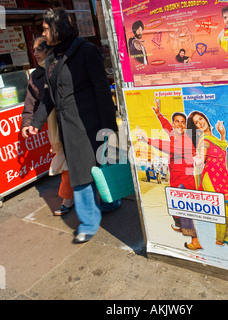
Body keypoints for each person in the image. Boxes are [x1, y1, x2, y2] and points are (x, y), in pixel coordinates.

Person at [27, 8, 120, 243]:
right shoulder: (51, 60)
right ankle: (89, 222)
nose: (43, 33)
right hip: (71, 129)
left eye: (46, 28)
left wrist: (110, 128)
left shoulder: (86, 51)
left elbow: (101, 91)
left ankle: (111, 201)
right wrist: (36, 123)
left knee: (103, 166)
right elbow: (49, 96)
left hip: (94, 123)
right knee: (79, 175)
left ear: (58, 27)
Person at [137, 99, 202, 250]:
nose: (180, 124)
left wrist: (148, 140)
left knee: (185, 210)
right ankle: (179, 225)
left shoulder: (186, 140)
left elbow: (170, 147)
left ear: (186, 125)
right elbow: (166, 126)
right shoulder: (174, 134)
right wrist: (159, 114)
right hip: (175, 178)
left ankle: (195, 240)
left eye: (183, 122)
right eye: (177, 122)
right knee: (174, 205)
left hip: (186, 180)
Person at [21, 36, 74, 216]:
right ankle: (71, 198)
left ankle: (81, 197)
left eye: (38, 49)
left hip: (72, 121)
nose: (34, 53)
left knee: (77, 160)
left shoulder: (62, 66)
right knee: (66, 161)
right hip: (55, 129)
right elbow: (30, 103)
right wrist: (27, 123)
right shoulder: (35, 76)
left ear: (49, 50)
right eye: (33, 49)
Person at [187, 111, 228, 250]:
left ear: (205, 118)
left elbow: (223, 146)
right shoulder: (204, 139)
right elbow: (201, 157)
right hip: (210, 178)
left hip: (223, 177)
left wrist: (222, 133)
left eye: (201, 119)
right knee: (222, 208)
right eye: (196, 123)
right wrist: (198, 159)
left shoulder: (214, 138)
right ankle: (220, 239)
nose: (200, 123)